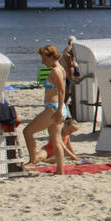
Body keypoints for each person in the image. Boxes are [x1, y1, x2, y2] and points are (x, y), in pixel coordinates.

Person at [24, 45, 67, 175]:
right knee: (56, 140)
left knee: (27, 131)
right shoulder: (60, 69)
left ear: (51, 56)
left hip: (54, 108)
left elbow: (61, 90)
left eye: (44, 58)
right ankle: (60, 169)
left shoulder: (56, 71)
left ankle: (32, 161)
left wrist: (59, 110)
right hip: (57, 108)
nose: (43, 61)